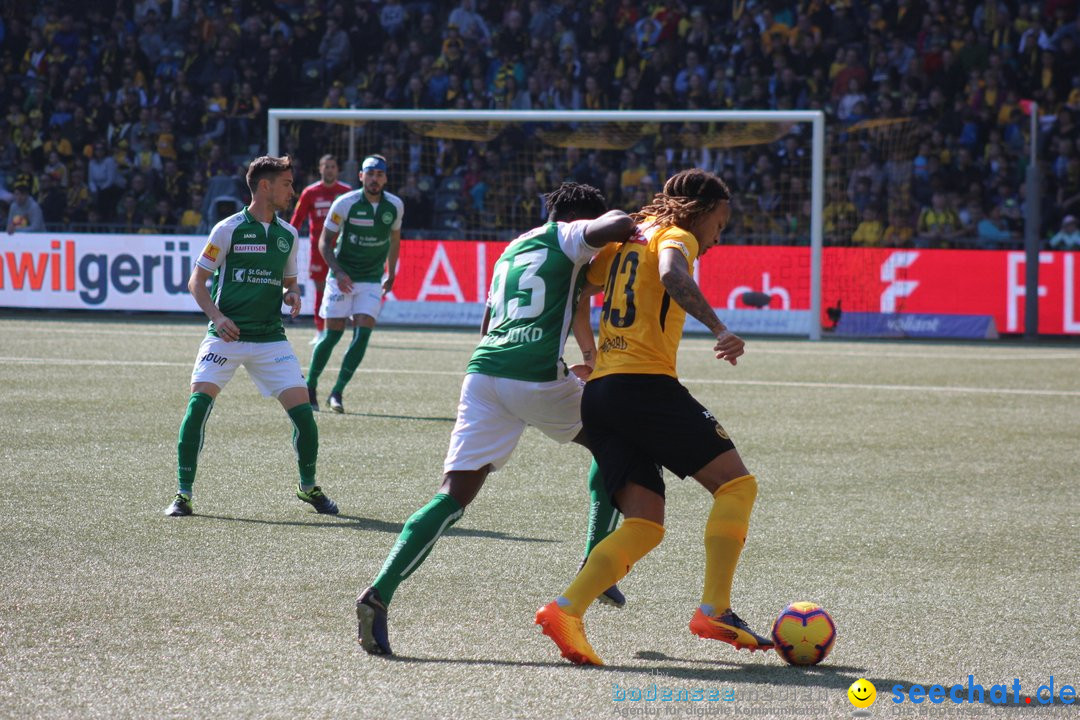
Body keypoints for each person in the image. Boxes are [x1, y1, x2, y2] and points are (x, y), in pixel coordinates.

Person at [355, 183, 636, 656]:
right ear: (575, 219)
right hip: (535, 378)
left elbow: (489, 324)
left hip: (483, 373)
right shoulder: (569, 235)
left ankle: (378, 593)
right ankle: (596, 562)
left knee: (453, 495)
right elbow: (619, 225)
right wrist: (624, 226)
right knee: (618, 442)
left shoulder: (511, 249)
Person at [535, 169, 773, 666]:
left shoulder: (627, 239)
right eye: (721, 225)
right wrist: (720, 326)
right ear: (701, 212)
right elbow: (670, 273)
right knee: (737, 487)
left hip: (601, 395)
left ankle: (566, 609)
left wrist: (587, 351)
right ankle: (716, 609)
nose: (718, 238)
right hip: (644, 387)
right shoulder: (677, 235)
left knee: (645, 523)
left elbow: (580, 291)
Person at [164, 155, 338, 517]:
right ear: (265, 186)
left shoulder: (287, 235)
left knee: (304, 416)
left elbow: (289, 283)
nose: (292, 190)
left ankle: (308, 487)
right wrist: (217, 316)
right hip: (225, 337)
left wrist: (291, 295)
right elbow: (196, 283)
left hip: (270, 338)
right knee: (197, 408)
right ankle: (183, 494)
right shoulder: (227, 229)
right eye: (287, 184)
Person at [305, 155, 402, 413]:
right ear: (361, 176)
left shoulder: (394, 206)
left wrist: (390, 274)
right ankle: (310, 385)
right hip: (342, 278)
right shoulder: (344, 203)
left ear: (385, 178)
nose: (374, 178)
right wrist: (337, 272)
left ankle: (337, 392)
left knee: (363, 334)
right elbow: (324, 242)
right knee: (332, 335)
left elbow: (394, 240)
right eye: (370, 173)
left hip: (371, 280)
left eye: (379, 174)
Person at [288, 154, 352, 345]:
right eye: (326, 166)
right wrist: (288, 238)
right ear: (320, 169)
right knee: (320, 291)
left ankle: (342, 327)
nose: (330, 170)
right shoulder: (310, 192)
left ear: (337, 170)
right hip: (319, 251)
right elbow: (297, 219)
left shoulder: (346, 192)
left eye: (333, 166)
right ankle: (320, 330)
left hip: (342, 251)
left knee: (346, 290)